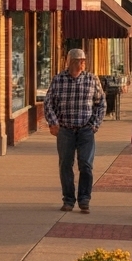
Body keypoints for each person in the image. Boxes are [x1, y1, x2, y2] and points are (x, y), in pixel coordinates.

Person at [45, 48, 106, 214]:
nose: (83, 63)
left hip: (86, 130)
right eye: (80, 60)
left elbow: (101, 104)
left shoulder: (92, 79)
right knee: (65, 165)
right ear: (71, 62)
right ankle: (69, 200)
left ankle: (84, 199)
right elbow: (48, 103)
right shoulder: (58, 80)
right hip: (65, 130)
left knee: (86, 164)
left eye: (84, 60)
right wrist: (53, 123)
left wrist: (95, 124)